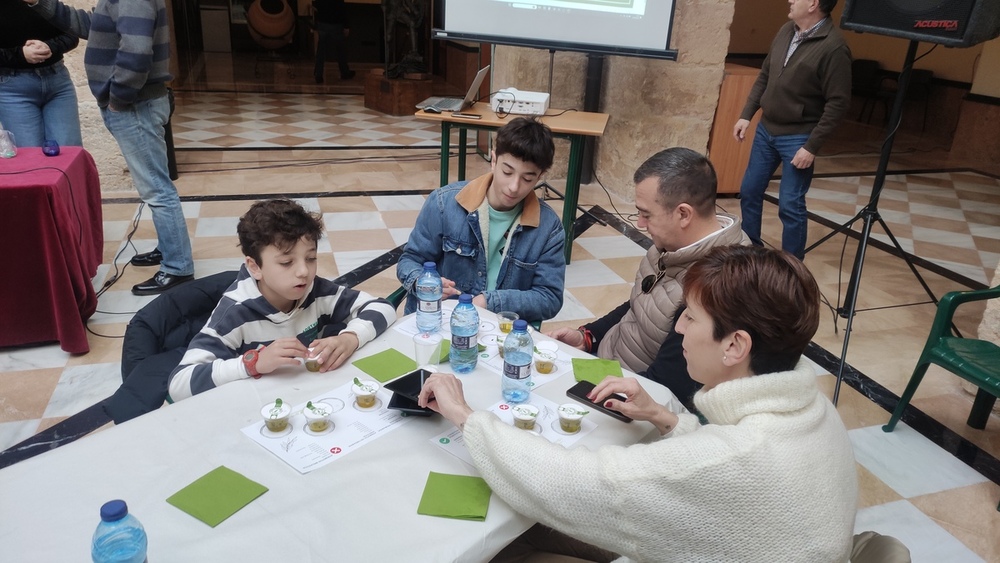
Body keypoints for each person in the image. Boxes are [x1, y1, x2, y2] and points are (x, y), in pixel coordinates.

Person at [418, 245, 859, 562]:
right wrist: (665, 418)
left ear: (735, 346)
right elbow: (725, 478)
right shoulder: (815, 409)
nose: (680, 329)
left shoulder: (732, 461)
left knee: (508, 539)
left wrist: (464, 414)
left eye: (690, 316)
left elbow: (571, 484)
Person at [546, 148, 749, 407]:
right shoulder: (669, 244)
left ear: (684, 214)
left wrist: (592, 389)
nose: (640, 224)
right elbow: (640, 304)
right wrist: (589, 337)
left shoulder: (722, 283)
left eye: (646, 214)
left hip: (639, 392)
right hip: (611, 363)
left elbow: (666, 389)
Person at [26, 0, 196, 295]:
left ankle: (178, 267)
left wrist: (117, 100)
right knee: (154, 186)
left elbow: (137, 51)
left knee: (157, 189)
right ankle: (170, 249)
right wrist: (40, 4)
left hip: (135, 106)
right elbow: (92, 26)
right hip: (134, 105)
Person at [168, 199, 396, 401]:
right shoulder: (235, 313)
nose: (303, 272)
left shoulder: (316, 290)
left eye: (311, 258)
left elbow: (382, 307)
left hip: (305, 397)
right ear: (254, 267)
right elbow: (179, 383)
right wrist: (252, 363)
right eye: (287, 262)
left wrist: (349, 338)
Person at [396, 117, 566, 323]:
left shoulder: (549, 228)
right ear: (493, 160)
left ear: (540, 177)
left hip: (499, 331)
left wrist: (490, 302)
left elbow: (549, 298)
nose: (514, 186)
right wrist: (423, 283)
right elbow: (410, 260)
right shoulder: (444, 203)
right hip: (437, 322)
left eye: (527, 179)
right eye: (507, 172)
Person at [733, 0, 851, 259]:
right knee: (750, 191)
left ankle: (791, 267)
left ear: (813, 4)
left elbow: (838, 103)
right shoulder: (787, 30)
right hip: (766, 130)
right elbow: (765, 75)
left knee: (790, 204)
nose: (791, 0)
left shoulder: (834, 47)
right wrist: (746, 115)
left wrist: (811, 146)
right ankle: (751, 253)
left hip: (799, 137)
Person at [0, 0, 82, 148]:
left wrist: (49, 47)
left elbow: (71, 33)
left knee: (70, 155)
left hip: (57, 82)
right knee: (31, 163)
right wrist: (21, 54)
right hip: (13, 89)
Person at [312, 0, 354, 84]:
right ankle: (344, 72)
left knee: (321, 50)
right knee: (340, 49)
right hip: (336, 23)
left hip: (322, 22)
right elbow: (342, 8)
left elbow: (316, 4)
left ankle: (318, 74)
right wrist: (346, 25)